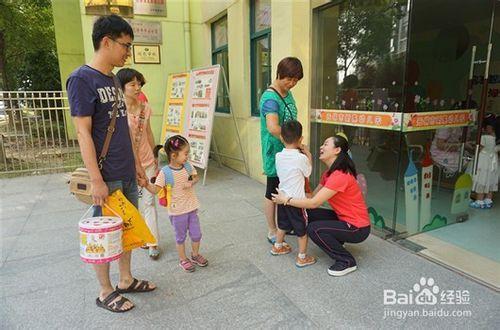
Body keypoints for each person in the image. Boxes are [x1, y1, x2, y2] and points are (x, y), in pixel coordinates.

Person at [67, 15, 155, 313]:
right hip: (106, 176)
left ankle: (126, 279)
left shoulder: (113, 81)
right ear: (106, 42)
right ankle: (105, 290)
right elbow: (83, 131)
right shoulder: (82, 79)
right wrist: (96, 179)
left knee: (127, 230)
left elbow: (121, 128)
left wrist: (138, 166)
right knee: (105, 235)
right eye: (125, 45)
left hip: (127, 170)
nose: (128, 52)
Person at [272, 135, 370, 277]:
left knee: (314, 229)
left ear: (337, 150)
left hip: (357, 228)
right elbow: (311, 197)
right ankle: (337, 240)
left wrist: (286, 199)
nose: (321, 147)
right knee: (306, 214)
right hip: (343, 219)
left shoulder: (340, 175)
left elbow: (314, 203)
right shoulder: (328, 174)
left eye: (325, 144)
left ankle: (347, 261)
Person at [143, 135, 208, 272]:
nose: (187, 156)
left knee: (197, 234)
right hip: (177, 212)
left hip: (191, 207)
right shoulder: (165, 173)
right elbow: (155, 190)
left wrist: (191, 182)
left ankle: (195, 255)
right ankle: (183, 259)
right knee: (181, 237)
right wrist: (146, 184)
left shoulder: (187, 166)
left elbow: (196, 177)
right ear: (173, 155)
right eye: (185, 153)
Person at [117, 68, 160, 259]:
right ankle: (139, 238)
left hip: (147, 161)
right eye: (132, 84)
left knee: (149, 202)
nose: (137, 87)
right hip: (126, 164)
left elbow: (149, 133)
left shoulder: (146, 108)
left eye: (139, 83)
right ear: (122, 87)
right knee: (133, 204)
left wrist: (155, 155)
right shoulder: (117, 112)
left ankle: (153, 242)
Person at [260, 57, 303, 244]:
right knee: (273, 190)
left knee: (287, 187)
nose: (292, 83)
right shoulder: (270, 97)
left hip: (290, 149)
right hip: (276, 151)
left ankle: (286, 225)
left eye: (296, 80)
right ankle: (272, 230)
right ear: (280, 73)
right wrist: (296, 143)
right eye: (289, 79)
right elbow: (273, 127)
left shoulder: (287, 92)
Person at [272, 120, 316, 268]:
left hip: (281, 198)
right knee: (302, 230)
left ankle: (278, 246)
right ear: (301, 139)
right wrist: (308, 154)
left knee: (282, 225)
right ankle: (302, 257)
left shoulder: (278, 156)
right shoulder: (301, 158)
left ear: (282, 138)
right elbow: (308, 172)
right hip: (296, 201)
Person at [470, 118, 499, 209]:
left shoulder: (484, 137)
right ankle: (488, 200)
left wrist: (473, 147)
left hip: (483, 160)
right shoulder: (497, 138)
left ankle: (479, 200)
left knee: (481, 179)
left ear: (489, 127)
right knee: (490, 179)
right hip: (494, 161)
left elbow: (479, 149)